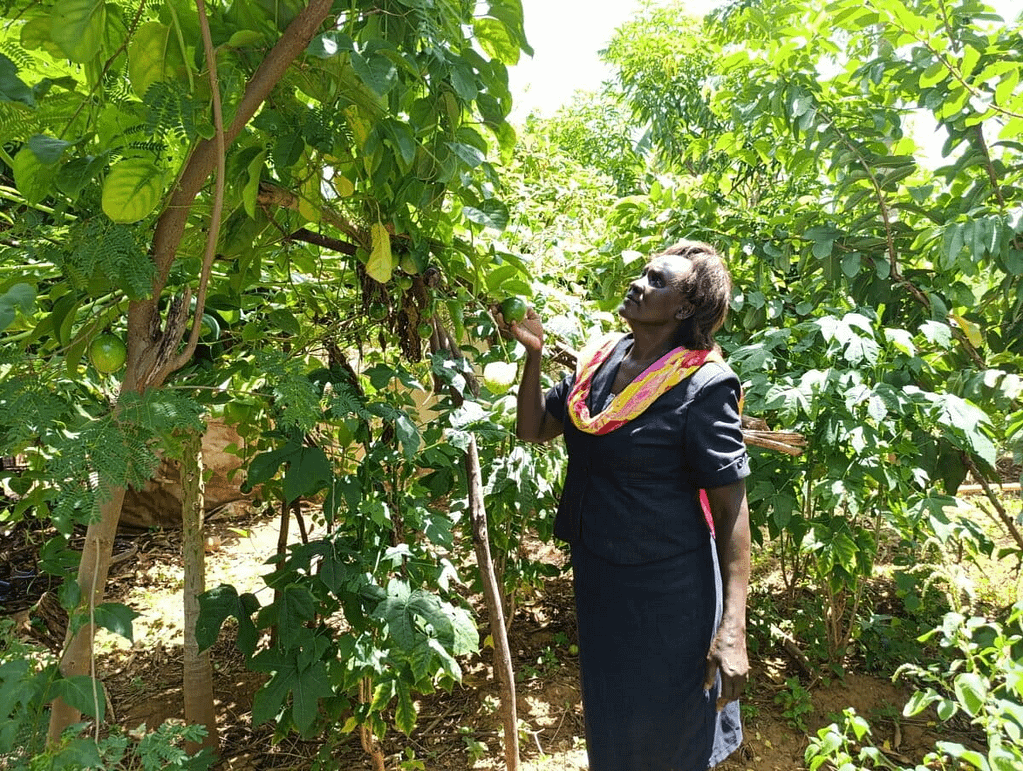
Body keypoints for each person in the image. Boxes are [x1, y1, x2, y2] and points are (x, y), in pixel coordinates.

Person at [497, 240, 751, 771]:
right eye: (643, 273)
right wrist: (534, 355)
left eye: (657, 281)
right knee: (613, 716)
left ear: (684, 309)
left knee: (671, 727)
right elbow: (533, 428)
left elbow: (732, 511)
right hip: (603, 578)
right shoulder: (601, 362)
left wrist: (733, 630)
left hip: (670, 590)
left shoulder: (703, 383)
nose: (638, 283)